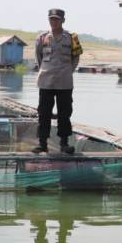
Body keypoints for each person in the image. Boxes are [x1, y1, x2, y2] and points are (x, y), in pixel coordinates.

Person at [33, 9, 83, 154]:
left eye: (56, 19)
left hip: (65, 82)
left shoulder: (72, 38)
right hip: (46, 81)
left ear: (63, 20)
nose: (53, 22)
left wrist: (68, 71)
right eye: (51, 19)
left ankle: (64, 144)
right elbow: (38, 58)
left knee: (65, 113)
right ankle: (42, 144)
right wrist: (46, 69)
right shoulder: (41, 38)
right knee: (43, 113)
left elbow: (76, 58)